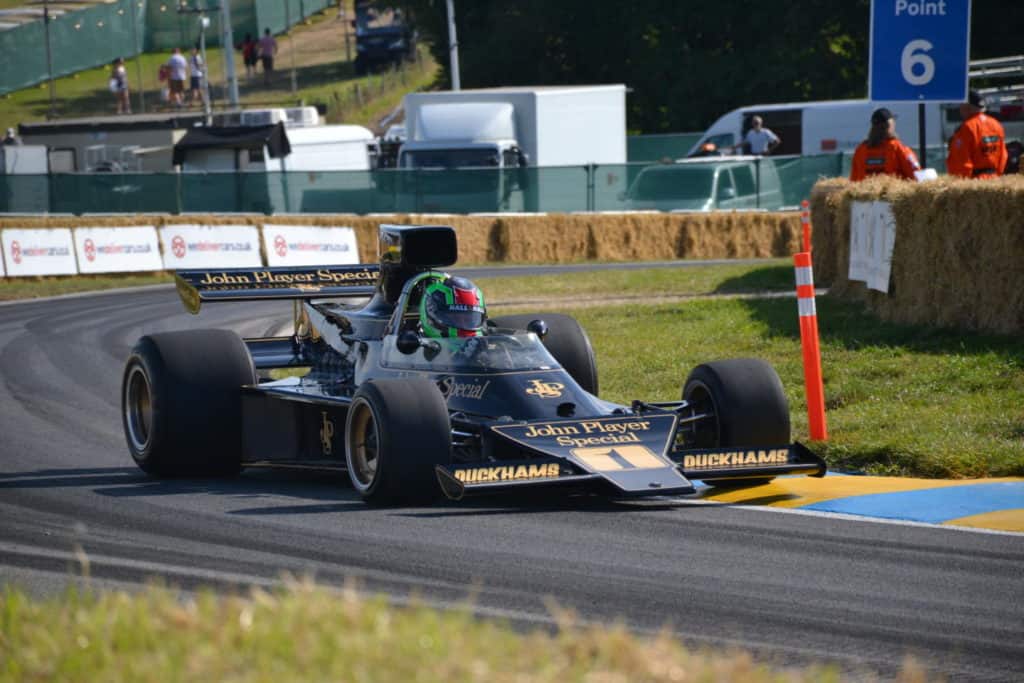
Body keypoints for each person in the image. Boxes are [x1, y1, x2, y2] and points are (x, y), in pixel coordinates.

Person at [947, 89, 1008, 179]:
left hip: (975, 180)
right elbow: (1003, 155)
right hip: (994, 178)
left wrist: (962, 181)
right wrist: (996, 175)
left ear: (967, 107)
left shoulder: (967, 127)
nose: (960, 108)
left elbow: (960, 160)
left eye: (961, 105)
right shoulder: (996, 124)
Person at [849, 108, 920, 181]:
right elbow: (916, 174)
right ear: (891, 125)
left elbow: (854, 180)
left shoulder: (860, 150)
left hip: (866, 191)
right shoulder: (897, 148)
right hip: (893, 192)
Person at [419, 275, 487, 338]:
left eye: (468, 319)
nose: (463, 324)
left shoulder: (483, 345)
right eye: (455, 318)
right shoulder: (415, 347)